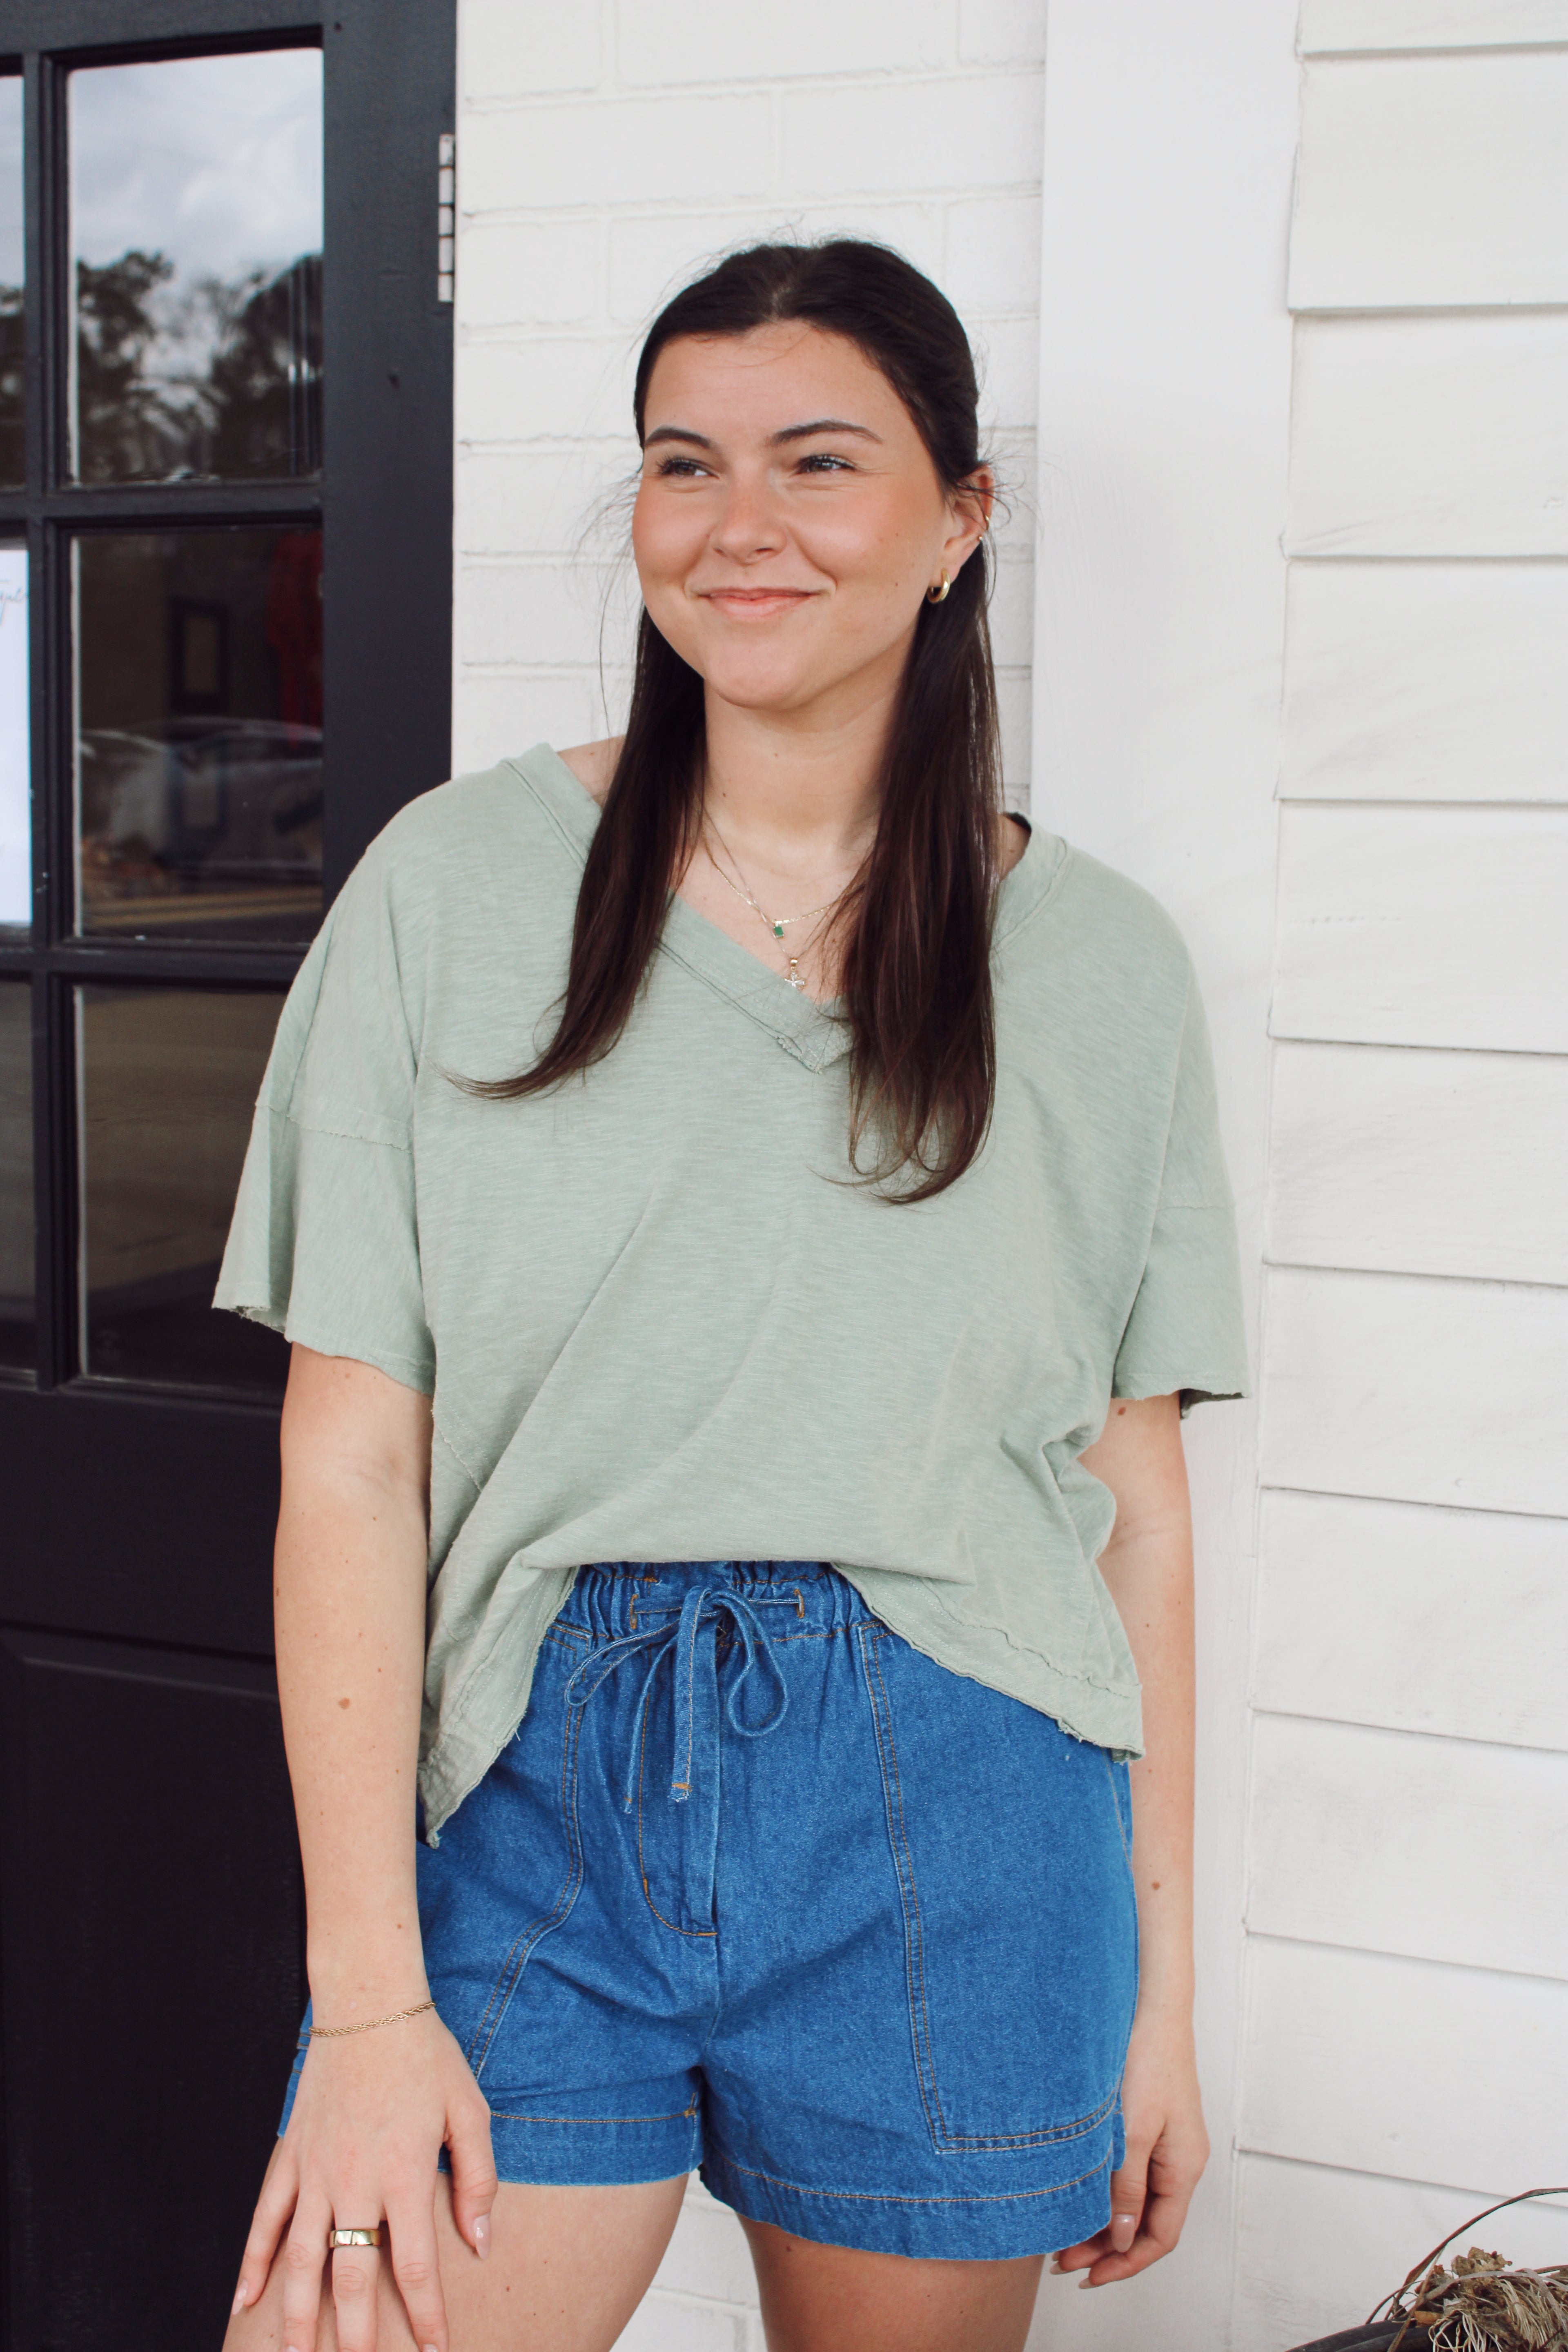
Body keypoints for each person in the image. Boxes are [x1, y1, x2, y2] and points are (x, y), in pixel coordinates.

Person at [216, 238, 1248, 2352]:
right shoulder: (448, 890)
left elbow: (1133, 1504)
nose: (737, 523)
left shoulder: (1107, 969)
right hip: (527, 1786)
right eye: (684, 464)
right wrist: (370, 1997)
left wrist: (1161, 2001)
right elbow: (351, 1467)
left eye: (819, 460)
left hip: (968, 1810)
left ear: (960, 522)